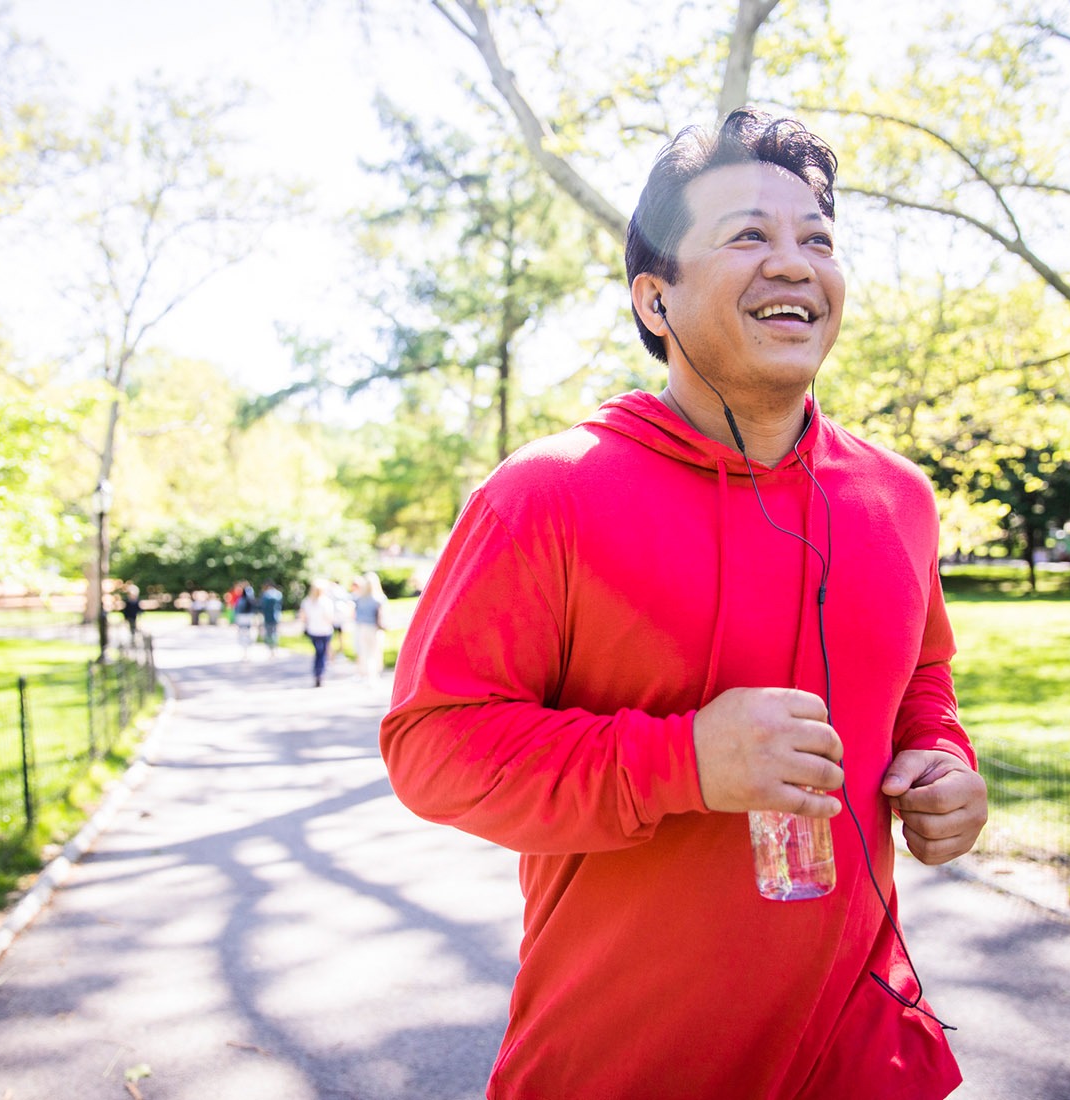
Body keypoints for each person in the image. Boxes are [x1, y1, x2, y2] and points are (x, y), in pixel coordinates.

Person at [380, 108, 987, 1100]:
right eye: (747, 234)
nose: (794, 263)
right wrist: (683, 761)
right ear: (653, 300)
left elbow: (922, 676)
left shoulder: (900, 496)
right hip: (621, 1061)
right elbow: (433, 748)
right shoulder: (547, 493)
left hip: (873, 1052)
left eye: (816, 240)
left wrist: (942, 761)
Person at [298, 581, 336, 687]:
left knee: (318, 652)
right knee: (322, 652)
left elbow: (302, 617)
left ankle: (318, 671)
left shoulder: (307, 601)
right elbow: (329, 618)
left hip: (313, 630)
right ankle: (320, 672)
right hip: (325, 630)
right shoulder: (326, 602)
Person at [351, 572, 387, 682]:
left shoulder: (359, 598)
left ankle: (364, 673)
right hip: (374, 628)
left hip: (362, 627)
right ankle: (373, 674)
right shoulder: (379, 598)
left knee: (364, 651)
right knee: (374, 651)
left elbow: (354, 614)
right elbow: (382, 615)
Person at [259, 579, 283, 655]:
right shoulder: (278, 594)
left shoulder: (265, 595)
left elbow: (262, 606)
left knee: (269, 632)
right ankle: (275, 647)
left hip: (268, 617)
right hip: (276, 616)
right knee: (275, 632)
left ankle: (271, 648)